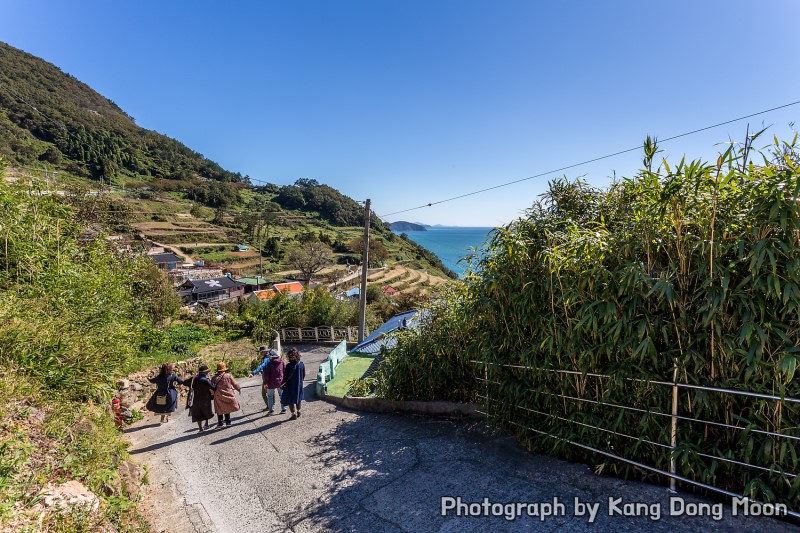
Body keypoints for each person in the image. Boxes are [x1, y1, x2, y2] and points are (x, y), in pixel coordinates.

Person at [184, 364, 216, 431]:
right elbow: (213, 387)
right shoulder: (205, 380)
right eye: (207, 372)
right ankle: (206, 424)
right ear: (205, 372)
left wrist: (192, 379)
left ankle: (200, 428)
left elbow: (184, 383)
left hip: (195, 400)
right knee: (206, 411)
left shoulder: (193, 379)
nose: (208, 373)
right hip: (205, 399)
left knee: (197, 413)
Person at [211, 362, 241, 428]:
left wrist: (212, 394)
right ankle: (228, 422)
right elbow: (235, 384)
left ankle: (220, 423)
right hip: (228, 394)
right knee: (227, 407)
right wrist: (238, 389)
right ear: (224, 369)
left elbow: (211, 388)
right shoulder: (228, 376)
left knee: (220, 408)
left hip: (218, 396)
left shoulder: (214, 378)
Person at [281, 348, 305, 420]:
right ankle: (298, 411)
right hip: (299, 385)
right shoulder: (301, 364)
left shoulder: (288, 366)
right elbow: (303, 375)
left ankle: (293, 414)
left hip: (290, 385)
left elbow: (285, 377)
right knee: (298, 399)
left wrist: (282, 384)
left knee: (290, 400)